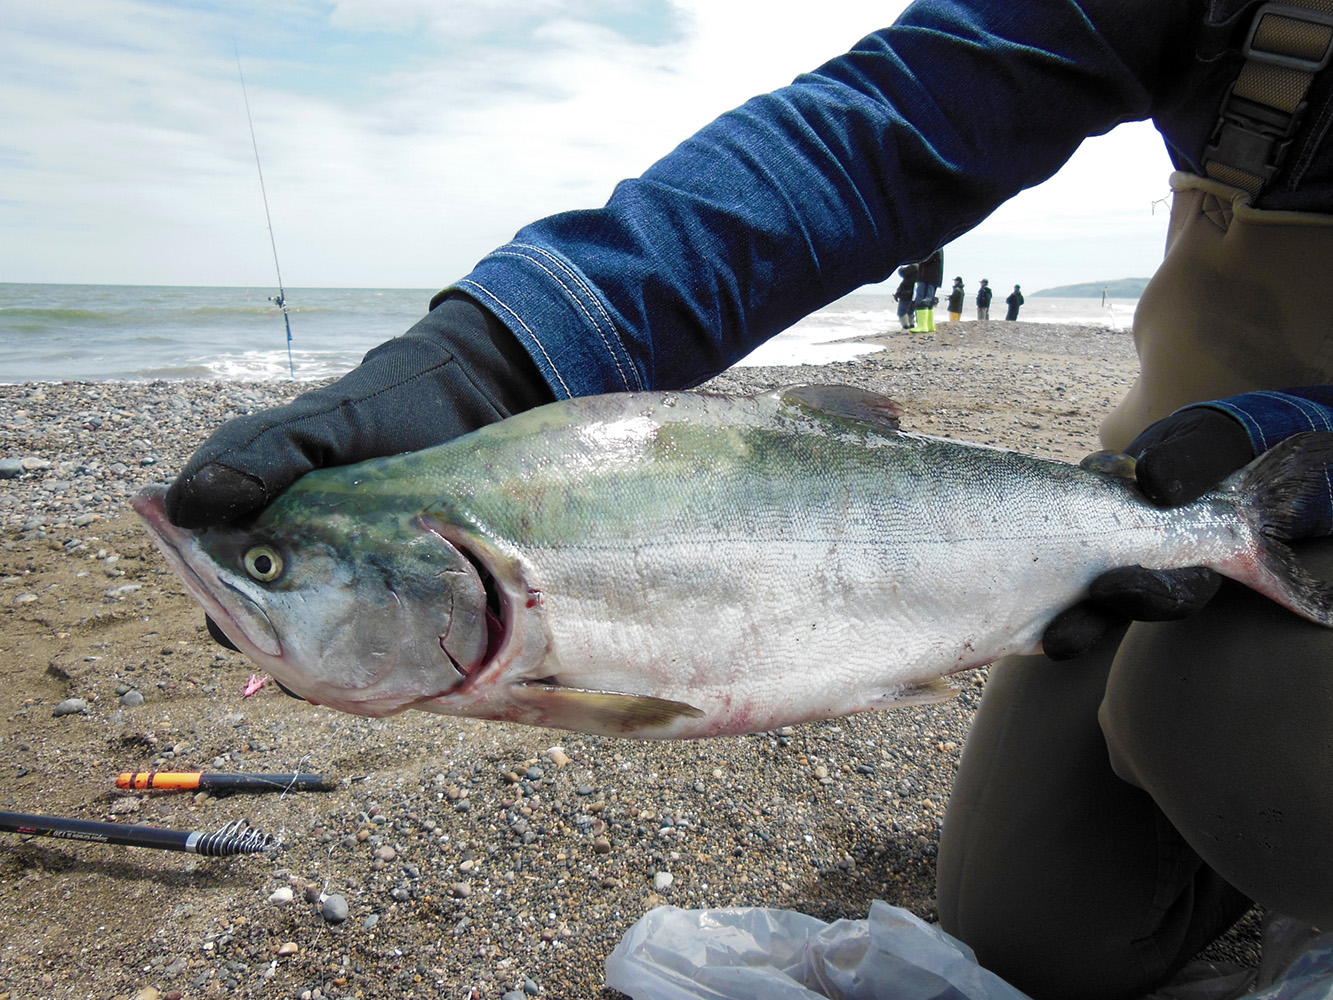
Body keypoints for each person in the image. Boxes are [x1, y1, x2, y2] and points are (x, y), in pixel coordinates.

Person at [165, 3, 1333, 998]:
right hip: (1168, 481)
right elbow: (887, 125)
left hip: (1270, 471)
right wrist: (498, 352)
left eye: (272, 574)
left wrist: (1298, 440)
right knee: (1037, 929)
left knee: (1210, 716)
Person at [914, 248, 944, 331]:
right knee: (929, 301)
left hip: (928, 277)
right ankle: (929, 325)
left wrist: (919, 260)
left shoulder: (935, 246)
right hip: (932, 277)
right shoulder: (938, 246)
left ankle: (922, 326)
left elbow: (928, 258)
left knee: (923, 300)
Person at [893, 263, 918, 330]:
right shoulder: (919, 268)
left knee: (901, 312)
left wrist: (900, 268)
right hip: (913, 293)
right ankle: (912, 326)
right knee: (910, 311)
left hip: (906, 292)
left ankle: (906, 327)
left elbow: (903, 272)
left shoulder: (914, 266)